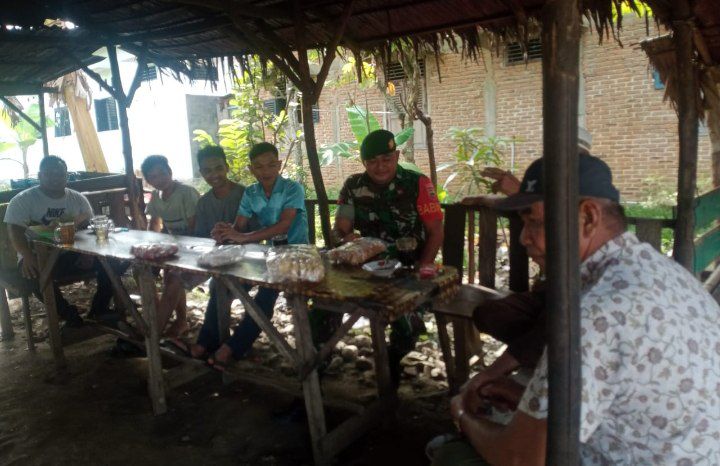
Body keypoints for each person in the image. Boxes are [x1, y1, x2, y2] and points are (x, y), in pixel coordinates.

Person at [432, 153, 720, 465]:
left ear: (588, 217)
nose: (523, 237)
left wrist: (462, 415)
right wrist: (528, 399)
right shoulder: (663, 271)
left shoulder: (593, 315)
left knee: (451, 454)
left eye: (534, 222)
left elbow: (520, 460)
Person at [332, 129, 444, 386]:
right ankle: (315, 370)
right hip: (366, 272)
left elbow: (436, 230)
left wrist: (423, 267)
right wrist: (343, 238)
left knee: (408, 323)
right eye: (372, 161)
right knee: (321, 310)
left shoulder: (417, 183)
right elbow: (340, 228)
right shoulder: (353, 186)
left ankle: (391, 368)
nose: (380, 166)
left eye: (386, 159)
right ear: (364, 162)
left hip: (407, 270)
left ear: (397, 156)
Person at [204, 141, 309, 369]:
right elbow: (239, 226)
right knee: (224, 284)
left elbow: (284, 225)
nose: (265, 171)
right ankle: (204, 342)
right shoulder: (251, 192)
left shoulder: (293, 188)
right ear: (251, 169)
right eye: (259, 166)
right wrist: (225, 231)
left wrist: (243, 237)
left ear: (279, 165)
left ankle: (233, 348)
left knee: (265, 296)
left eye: (271, 165)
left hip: (296, 256)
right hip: (268, 255)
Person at [3, 155, 120, 326]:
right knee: (34, 276)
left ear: (67, 176)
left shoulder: (77, 198)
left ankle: (99, 309)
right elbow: (15, 231)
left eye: (59, 174)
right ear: (40, 176)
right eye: (49, 174)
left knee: (113, 262)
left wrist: (88, 254)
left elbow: (89, 228)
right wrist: (26, 256)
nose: (55, 178)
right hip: (37, 256)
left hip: (72, 255)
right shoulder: (23, 200)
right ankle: (69, 315)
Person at [141, 155, 201, 337]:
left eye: (162, 173)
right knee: (146, 273)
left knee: (173, 277)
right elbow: (154, 223)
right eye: (153, 177)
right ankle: (177, 320)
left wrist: (172, 249)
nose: (159, 179)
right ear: (148, 181)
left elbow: (195, 228)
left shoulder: (186, 193)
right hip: (175, 246)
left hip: (197, 245)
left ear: (170, 172)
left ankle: (153, 333)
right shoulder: (156, 196)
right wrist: (151, 245)